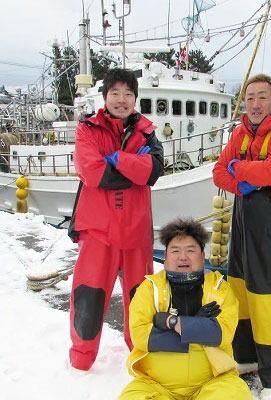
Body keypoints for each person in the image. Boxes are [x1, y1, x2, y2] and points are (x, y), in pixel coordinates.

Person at [213, 74, 271, 400]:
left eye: (262, 97)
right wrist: (241, 180)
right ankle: (247, 360)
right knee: (241, 295)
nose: (254, 104)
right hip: (242, 230)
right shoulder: (240, 133)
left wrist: (240, 167)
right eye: (249, 97)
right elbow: (218, 173)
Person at [68, 68, 164, 371]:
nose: (122, 100)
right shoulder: (87, 129)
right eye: (115, 93)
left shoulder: (147, 130)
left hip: (136, 232)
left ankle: (141, 354)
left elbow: (154, 172)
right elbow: (93, 172)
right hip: (99, 231)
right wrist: (137, 163)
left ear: (135, 98)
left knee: (141, 299)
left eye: (128, 94)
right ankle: (81, 359)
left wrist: (119, 159)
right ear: (105, 96)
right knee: (89, 295)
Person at [118, 218, 252, 400]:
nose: (183, 257)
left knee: (235, 395)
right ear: (165, 257)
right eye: (175, 251)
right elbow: (142, 337)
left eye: (190, 250)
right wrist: (198, 326)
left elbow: (221, 334)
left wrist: (169, 321)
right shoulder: (149, 289)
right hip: (155, 384)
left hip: (212, 381)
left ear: (202, 255)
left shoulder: (220, 288)